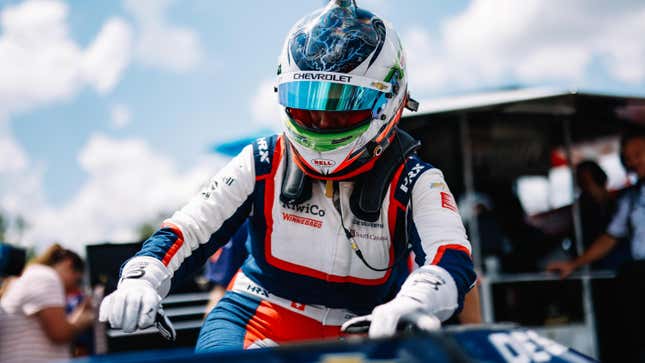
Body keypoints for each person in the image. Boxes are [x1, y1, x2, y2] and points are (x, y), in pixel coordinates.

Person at [99, 0, 476, 352]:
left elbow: (451, 255)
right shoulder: (263, 159)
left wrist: (415, 300)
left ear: (389, 100)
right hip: (258, 315)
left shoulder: (416, 180)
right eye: (308, 105)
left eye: (341, 109)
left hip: (365, 330)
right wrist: (141, 277)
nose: (323, 124)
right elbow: (190, 227)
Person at [547, 128, 645, 277]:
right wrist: (574, 264)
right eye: (628, 158)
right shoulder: (630, 198)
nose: (632, 162)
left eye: (638, 155)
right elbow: (610, 237)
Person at [0, 244, 95, 363]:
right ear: (69, 263)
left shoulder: (32, 276)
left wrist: (80, 312)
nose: (76, 287)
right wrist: (85, 320)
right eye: (77, 280)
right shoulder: (46, 277)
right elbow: (59, 333)